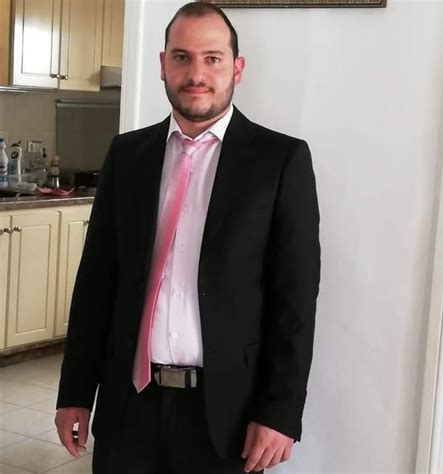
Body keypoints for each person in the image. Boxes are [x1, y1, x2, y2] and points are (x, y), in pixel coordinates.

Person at [55, 3, 320, 473]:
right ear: (163, 65)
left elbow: (294, 301)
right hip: (128, 409)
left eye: (213, 58)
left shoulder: (280, 161)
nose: (197, 74)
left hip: (226, 417)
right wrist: (75, 391)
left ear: (237, 68)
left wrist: (280, 412)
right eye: (182, 57)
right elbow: (96, 282)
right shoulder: (127, 155)